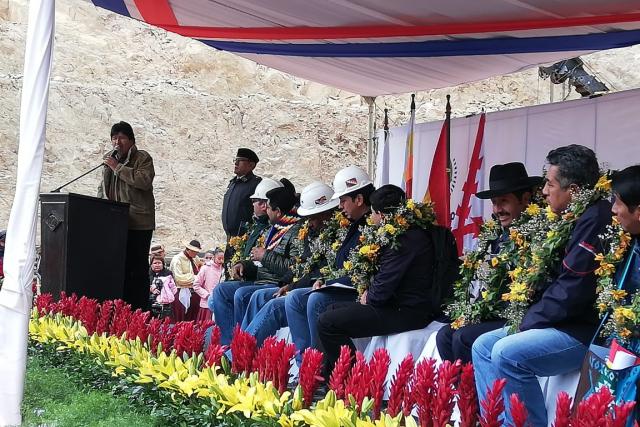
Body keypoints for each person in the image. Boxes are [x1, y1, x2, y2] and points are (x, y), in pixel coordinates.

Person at [472, 145, 612, 427]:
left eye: (549, 184)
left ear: (573, 190)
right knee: (482, 346)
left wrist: (529, 321)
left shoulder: (595, 219)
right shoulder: (568, 216)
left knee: (506, 353)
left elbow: (571, 291)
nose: (544, 192)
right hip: (558, 321)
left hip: (581, 330)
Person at [318, 184, 455, 378]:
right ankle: (329, 375)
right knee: (331, 310)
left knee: (328, 323)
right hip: (401, 305)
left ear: (382, 216)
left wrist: (368, 296)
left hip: (407, 311)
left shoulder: (403, 240)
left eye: (373, 214)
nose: (371, 219)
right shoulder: (410, 232)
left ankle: (352, 379)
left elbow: (381, 291)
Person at [437, 162, 542, 363]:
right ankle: (458, 384)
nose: (498, 209)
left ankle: (480, 385)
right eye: (494, 203)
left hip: (521, 315)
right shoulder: (496, 235)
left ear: (525, 199)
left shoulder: (538, 233)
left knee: (463, 338)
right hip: (495, 312)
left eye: (504, 201)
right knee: (445, 335)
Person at [285, 166, 373, 364]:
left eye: (343, 201)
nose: (339, 207)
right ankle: (304, 364)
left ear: (359, 200)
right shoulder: (353, 223)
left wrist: (329, 283)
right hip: (341, 284)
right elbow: (339, 263)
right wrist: (325, 279)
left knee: (317, 300)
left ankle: (320, 366)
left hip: (356, 290)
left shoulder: (371, 226)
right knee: (295, 298)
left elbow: (362, 272)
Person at [240, 181, 339, 347]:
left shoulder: (331, 233)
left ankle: (242, 350)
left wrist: (291, 285)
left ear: (327, 213)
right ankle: (239, 348)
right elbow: (301, 265)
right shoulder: (310, 233)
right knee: (250, 295)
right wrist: (286, 283)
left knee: (283, 302)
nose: (310, 223)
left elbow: (316, 269)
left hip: (316, 287)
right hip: (295, 283)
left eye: (314, 217)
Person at [212, 182, 302, 345]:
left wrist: (265, 256)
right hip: (262, 279)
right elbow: (260, 263)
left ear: (278, 211)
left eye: (269, 208)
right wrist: (244, 266)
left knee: (243, 294)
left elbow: (293, 267)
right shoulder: (273, 229)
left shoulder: (295, 231)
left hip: (275, 282)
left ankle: (241, 346)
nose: (266, 211)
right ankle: (228, 343)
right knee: (221, 290)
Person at [98, 121, 155, 311]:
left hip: (138, 223)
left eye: (121, 138)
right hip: (116, 223)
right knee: (119, 267)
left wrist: (118, 167)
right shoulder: (110, 160)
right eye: (114, 138)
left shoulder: (142, 158)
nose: (117, 142)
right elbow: (103, 189)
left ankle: (140, 310)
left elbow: (144, 181)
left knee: (136, 269)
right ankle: (120, 309)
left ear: (131, 140)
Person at [222, 148, 262, 239]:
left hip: (245, 238)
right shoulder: (233, 183)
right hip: (230, 237)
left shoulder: (255, 184)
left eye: (240, 160)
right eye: (235, 160)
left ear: (251, 165)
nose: (236, 163)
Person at [169, 240, 203, 321]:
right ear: (189, 250)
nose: (196, 254)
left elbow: (201, 267)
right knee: (181, 318)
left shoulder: (195, 258)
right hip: (181, 291)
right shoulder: (177, 259)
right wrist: (196, 278)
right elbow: (179, 278)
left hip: (195, 291)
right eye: (195, 252)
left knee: (193, 317)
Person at [193, 248, 225, 322]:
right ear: (214, 257)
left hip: (221, 305)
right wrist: (207, 295)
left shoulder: (224, 270)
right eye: (219, 258)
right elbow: (196, 285)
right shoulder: (205, 268)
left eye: (223, 259)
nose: (221, 261)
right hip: (207, 305)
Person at [148, 254, 177, 319]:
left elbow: (173, 288)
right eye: (155, 263)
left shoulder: (168, 274)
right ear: (151, 265)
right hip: (150, 302)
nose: (157, 265)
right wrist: (151, 289)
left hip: (164, 303)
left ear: (163, 264)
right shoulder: (148, 273)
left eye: (159, 263)